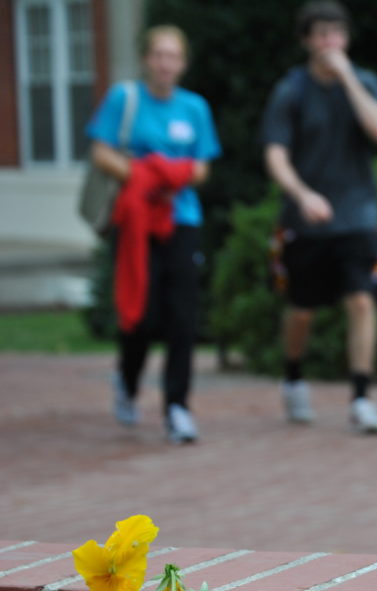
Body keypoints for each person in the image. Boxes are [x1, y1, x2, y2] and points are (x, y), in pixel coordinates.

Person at [261, 1, 377, 433]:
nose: (329, 42)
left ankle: (361, 397)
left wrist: (349, 80)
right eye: (320, 34)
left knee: (361, 300)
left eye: (336, 34)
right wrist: (302, 195)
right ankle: (294, 377)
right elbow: (276, 156)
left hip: (358, 217)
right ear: (306, 41)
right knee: (302, 311)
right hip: (306, 222)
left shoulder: (366, 82)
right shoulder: (291, 91)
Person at [87, 25, 221, 444]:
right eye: (159, 55)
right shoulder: (124, 100)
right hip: (136, 224)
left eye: (173, 56)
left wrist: (171, 176)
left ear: (183, 63)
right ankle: (128, 383)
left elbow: (201, 166)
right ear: (146, 59)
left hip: (181, 221)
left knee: (183, 317)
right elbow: (101, 151)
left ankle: (177, 407)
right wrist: (143, 176)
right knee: (139, 315)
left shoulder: (194, 108)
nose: (166, 64)